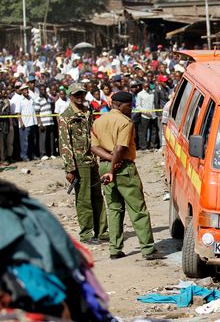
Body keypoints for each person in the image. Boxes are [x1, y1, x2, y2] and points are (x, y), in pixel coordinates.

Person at [90, 91, 161, 260]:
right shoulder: (125, 122)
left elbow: (94, 147)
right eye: (129, 105)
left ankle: (115, 249)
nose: (131, 109)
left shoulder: (98, 121)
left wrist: (108, 162)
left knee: (114, 209)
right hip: (122, 169)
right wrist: (113, 169)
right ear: (120, 105)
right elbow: (121, 148)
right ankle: (148, 249)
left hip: (105, 165)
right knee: (138, 209)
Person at [58, 83, 108, 245]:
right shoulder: (66, 116)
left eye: (82, 94)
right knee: (84, 199)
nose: (80, 97)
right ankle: (86, 233)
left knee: (97, 197)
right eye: (76, 94)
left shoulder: (88, 112)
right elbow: (65, 144)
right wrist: (70, 168)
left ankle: (102, 231)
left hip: (92, 160)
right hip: (79, 163)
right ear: (70, 96)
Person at [15, 85, 38, 161]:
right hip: (25, 124)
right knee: (24, 142)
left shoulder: (31, 98)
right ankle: (24, 156)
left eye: (27, 90)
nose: (26, 91)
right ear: (21, 91)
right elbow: (18, 113)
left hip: (32, 122)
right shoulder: (20, 100)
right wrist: (21, 122)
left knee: (32, 141)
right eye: (24, 90)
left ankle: (32, 155)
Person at [136, 80, 159, 149]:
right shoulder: (140, 94)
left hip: (153, 115)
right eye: (145, 87)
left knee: (154, 131)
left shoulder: (153, 93)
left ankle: (153, 146)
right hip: (145, 116)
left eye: (148, 87)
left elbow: (155, 103)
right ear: (143, 87)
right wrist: (145, 111)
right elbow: (138, 106)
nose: (147, 88)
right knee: (144, 132)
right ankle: (143, 146)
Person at [35, 85, 56, 159]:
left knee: (50, 138)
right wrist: (39, 123)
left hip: (50, 121)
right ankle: (43, 154)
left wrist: (49, 95)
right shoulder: (37, 99)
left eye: (44, 89)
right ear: (39, 91)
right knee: (43, 139)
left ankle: (51, 153)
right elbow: (37, 112)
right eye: (41, 90)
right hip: (43, 122)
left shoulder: (48, 98)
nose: (43, 91)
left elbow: (54, 101)